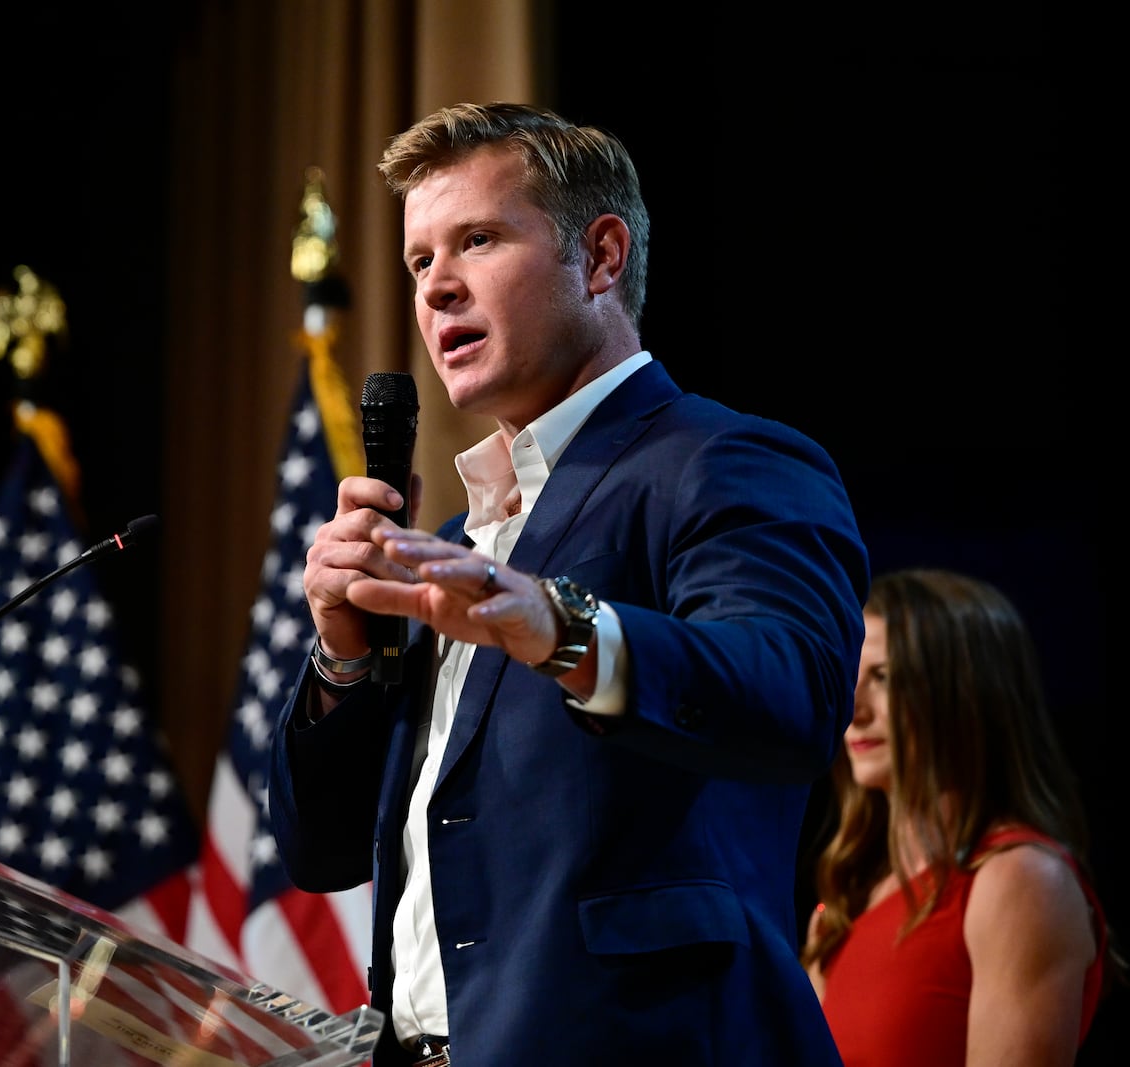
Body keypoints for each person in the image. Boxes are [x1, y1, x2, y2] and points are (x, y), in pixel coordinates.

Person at [267, 101, 871, 1066]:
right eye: (421, 261)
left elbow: (790, 693)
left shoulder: (725, 460)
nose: (437, 289)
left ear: (599, 257)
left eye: (477, 240)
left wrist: (561, 626)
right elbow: (322, 851)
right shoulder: (457, 545)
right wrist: (341, 658)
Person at [802, 567, 1117, 1065]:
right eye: (851, 680)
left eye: (884, 678)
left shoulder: (1019, 881)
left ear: (967, 692)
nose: (854, 710)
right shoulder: (842, 907)